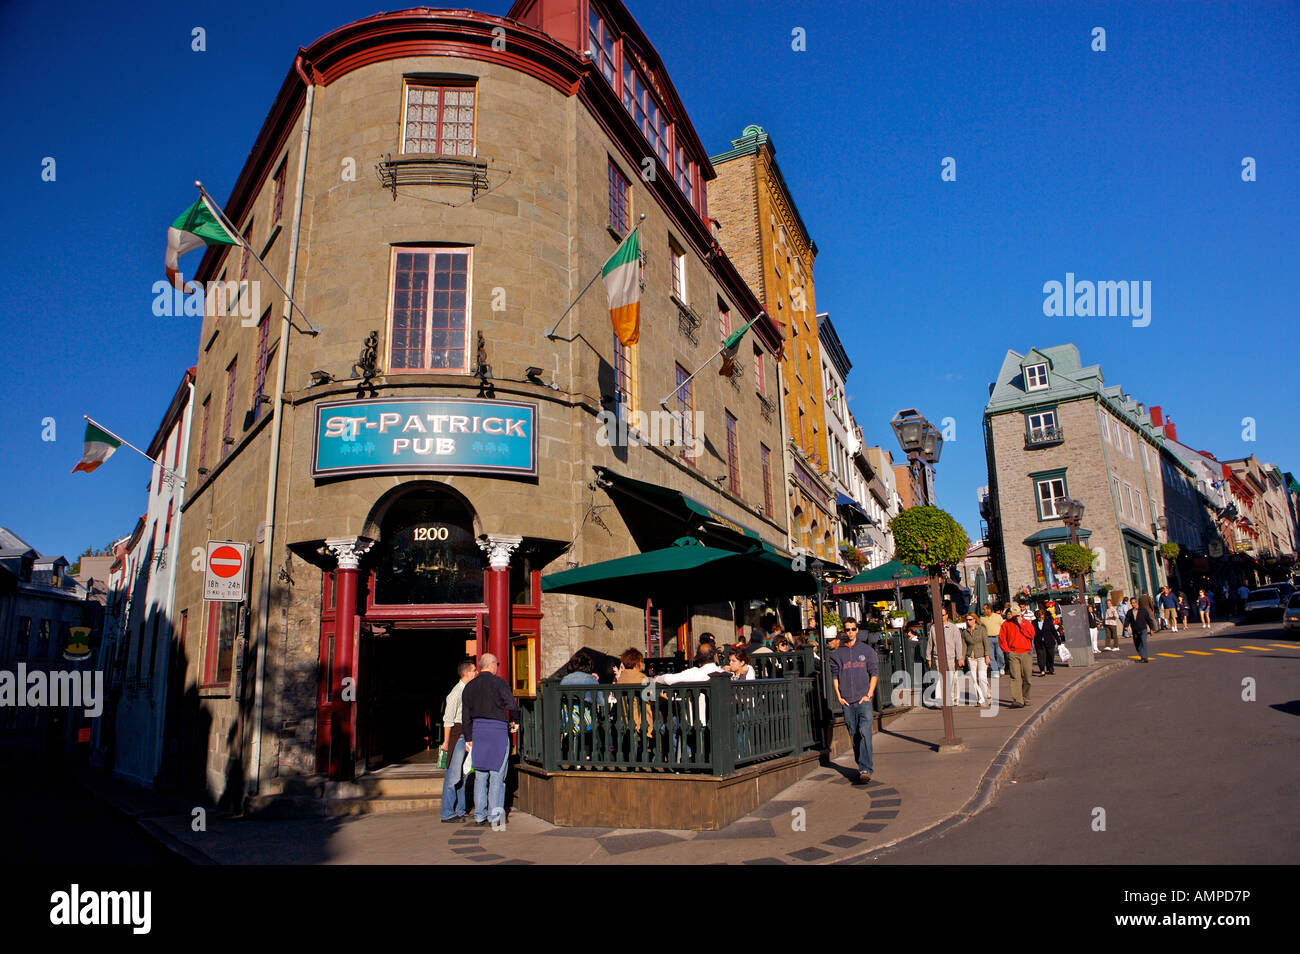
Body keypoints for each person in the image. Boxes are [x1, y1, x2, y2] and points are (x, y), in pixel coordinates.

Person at [461, 652, 520, 827]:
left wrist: (468, 737)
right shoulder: (500, 683)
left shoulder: (469, 687)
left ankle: (479, 815)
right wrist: (516, 721)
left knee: (480, 775)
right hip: (497, 731)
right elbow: (512, 705)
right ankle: (495, 817)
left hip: (478, 731)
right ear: (492, 664)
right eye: (497, 665)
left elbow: (465, 715)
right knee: (497, 776)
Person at [830, 619, 879, 784]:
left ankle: (865, 769)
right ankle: (861, 763)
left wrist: (869, 694)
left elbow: (874, 673)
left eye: (853, 629)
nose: (850, 632)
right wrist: (839, 696)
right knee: (854, 734)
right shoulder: (838, 653)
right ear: (844, 631)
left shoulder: (867, 650)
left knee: (864, 731)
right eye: (847, 629)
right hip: (847, 701)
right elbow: (835, 676)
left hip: (863, 699)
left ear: (857, 630)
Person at [439, 658, 477, 823]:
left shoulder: (467, 689)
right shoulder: (456, 692)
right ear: (466, 673)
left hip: (465, 733)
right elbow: (448, 719)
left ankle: (460, 809)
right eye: (474, 670)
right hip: (457, 734)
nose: (476, 672)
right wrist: (446, 742)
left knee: (463, 774)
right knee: (453, 775)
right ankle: (447, 812)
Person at [997, 603, 1036, 708]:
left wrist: (1022, 624)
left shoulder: (1026, 623)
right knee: (1015, 677)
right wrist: (1008, 651)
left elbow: (1031, 634)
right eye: (1013, 615)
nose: (1015, 618)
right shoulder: (1006, 624)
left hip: (1026, 653)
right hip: (1013, 653)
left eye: (1017, 615)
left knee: (1027, 677)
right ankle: (1018, 700)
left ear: (1020, 614)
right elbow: (1002, 639)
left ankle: (1026, 697)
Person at [927, 611, 965, 707]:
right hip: (938, 657)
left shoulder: (953, 627)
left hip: (951, 657)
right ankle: (940, 700)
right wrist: (929, 657)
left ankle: (953, 698)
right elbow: (930, 643)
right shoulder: (933, 628)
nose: (941, 617)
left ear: (947, 615)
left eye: (943, 615)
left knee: (951, 678)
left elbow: (958, 643)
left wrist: (959, 657)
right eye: (939, 615)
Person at [961, 611, 991, 706]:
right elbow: (964, 646)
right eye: (967, 620)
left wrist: (987, 655)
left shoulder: (981, 629)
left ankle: (987, 694)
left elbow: (986, 643)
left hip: (981, 656)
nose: (968, 621)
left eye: (970, 619)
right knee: (974, 679)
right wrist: (962, 658)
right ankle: (981, 699)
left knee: (982, 677)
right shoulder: (965, 632)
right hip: (971, 657)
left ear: (975, 620)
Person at [1128, 594, 1158, 663]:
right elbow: (1127, 620)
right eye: (1131, 603)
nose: (1133, 604)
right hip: (1135, 630)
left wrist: (1151, 629)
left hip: (1143, 629)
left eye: (1134, 603)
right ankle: (1142, 656)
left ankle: (1145, 658)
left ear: (1136, 603)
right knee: (1137, 644)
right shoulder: (1130, 612)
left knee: (1143, 642)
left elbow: (1148, 620)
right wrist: (1126, 626)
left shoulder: (1143, 610)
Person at [979, 604, 1006, 675]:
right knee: (991, 655)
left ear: (989, 609)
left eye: (984, 609)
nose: (983, 610)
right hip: (988, 638)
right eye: (983, 609)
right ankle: (995, 670)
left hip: (998, 637)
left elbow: (1003, 626)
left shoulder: (997, 616)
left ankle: (1001, 667)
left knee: (999, 654)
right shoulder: (982, 618)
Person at [1029, 607, 1055, 676]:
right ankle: (1042, 670)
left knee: (1050, 656)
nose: (1041, 617)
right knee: (1041, 657)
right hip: (1039, 642)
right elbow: (1032, 632)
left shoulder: (1048, 621)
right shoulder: (1034, 622)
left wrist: (1059, 641)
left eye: (1042, 616)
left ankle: (1050, 668)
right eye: (1040, 616)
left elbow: (1053, 631)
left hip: (1049, 641)